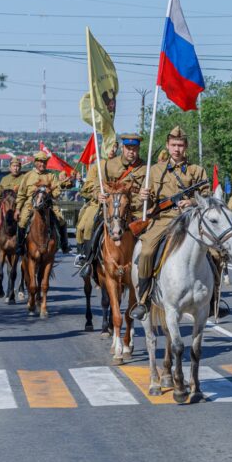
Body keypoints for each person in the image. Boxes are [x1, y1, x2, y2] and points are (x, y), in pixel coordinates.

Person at [130, 127, 209, 321]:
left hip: (190, 219)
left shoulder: (197, 171)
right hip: (163, 219)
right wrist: (143, 197)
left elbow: (207, 196)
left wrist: (191, 202)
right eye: (173, 145)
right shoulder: (155, 171)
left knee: (214, 251)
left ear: (186, 147)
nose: (177, 149)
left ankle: (214, 299)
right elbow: (140, 202)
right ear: (167, 145)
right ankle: (144, 298)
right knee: (147, 251)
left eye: (180, 145)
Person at [75, 135, 145, 267]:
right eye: (128, 148)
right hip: (111, 206)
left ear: (138, 149)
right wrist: (98, 194)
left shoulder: (144, 168)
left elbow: (150, 188)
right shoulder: (108, 165)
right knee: (91, 224)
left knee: (148, 232)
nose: (131, 151)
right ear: (123, 148)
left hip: (136, 208)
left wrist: (145, 195)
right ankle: (89, 260)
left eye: (134, 148)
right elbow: (96, 185)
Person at [16, 150, 70, 254]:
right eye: (40, 161)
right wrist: (18, 209)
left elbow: (57, 192)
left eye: (44, 162)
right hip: (31, 204)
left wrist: (51, 192)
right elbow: (21, 194)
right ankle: (20, 246)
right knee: (22, 221)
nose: (42, 164)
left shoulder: (51, 176)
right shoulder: (28, 176)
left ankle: (64, 245)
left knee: (61, 220)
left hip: (48, 204)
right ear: (35, 162)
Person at [74, 141, 119, 263]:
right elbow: (86, 188)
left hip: (117, 203)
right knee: (83, 227)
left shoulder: (120, 165)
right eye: (109, 147)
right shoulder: (96, 167)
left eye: (115, 147)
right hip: (97, 203)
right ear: (103, 148)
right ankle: (84, 256)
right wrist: (97, 194)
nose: (112, 150)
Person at [0, 157, 25, 245]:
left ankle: (23, 246)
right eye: (14, 166)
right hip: (5, 209)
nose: (16, 168)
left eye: (18, 166)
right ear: (10, 167)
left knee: (25, 225)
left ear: (20, 167)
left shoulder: (24, 178)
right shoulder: (4, 179)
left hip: (19, 208)